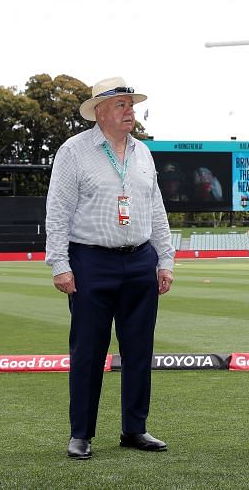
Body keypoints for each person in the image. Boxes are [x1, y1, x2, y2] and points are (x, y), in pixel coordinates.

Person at [45, 77, 175, 461]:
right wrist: (60, 264)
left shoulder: (143, 153)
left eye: (131, 104)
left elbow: (156, 210)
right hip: (91, 261)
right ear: (99, 112)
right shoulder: (73, 152)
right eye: (121, 105)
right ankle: (81, 434)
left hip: (140, 260)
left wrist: (165, 259)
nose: (129, 111)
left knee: (139, 350)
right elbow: (57, 210)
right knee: (88, 351)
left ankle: (135, 429)